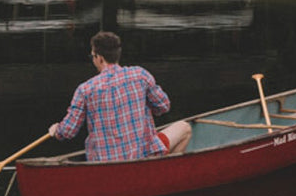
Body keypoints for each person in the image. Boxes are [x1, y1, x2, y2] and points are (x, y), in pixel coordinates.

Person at [48, 31, 191, 161]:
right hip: (143, 155)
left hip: (103, 162)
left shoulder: (85, 89)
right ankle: (164, 173)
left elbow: (68, 131)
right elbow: (164, 107)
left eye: (92, 56)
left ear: (99, 58)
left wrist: (56, 130)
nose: (93, 60)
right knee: (184, 127)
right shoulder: (140, 75)